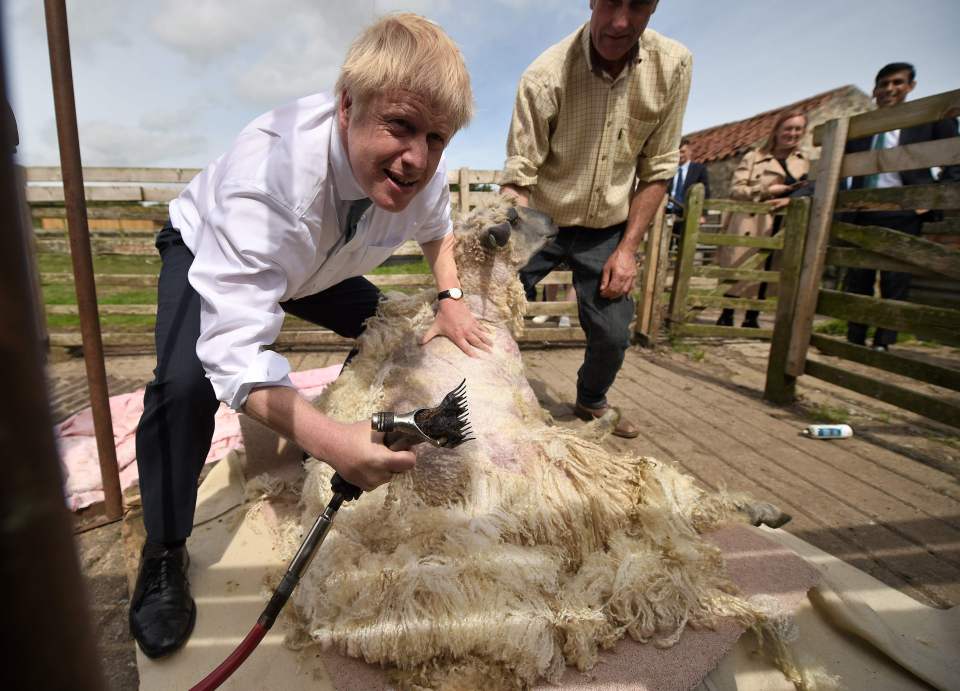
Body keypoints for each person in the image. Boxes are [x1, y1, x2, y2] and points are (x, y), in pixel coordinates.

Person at [128, 14, 491, 659]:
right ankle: (163, 550)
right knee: (186, 386)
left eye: (436, 138)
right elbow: (232, 353)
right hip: (212, 247)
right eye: (400, 127)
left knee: (393, 334)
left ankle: (355, 427)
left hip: (319, 262)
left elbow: (438, 228)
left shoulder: (423, 171)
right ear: (347, 104)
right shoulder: (267, 178)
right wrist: (329, 444)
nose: (416, 159)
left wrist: (451, 299)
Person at [500, 0, 692, 439]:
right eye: (609, 3)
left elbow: (659, 168)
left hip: (608, 225)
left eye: (638, 5)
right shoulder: (543, 76)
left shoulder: (673, 66)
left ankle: (591, 397)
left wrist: (627, 250)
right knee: (492, 309)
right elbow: (520, 175)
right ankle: (491, 395)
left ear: (655, 5)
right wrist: (507, 253)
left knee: (612, 331)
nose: (620, 22)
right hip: (541, 220)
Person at [843, 62, 960, 351]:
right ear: (875, 90)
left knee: (895, 279)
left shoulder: (930, 121)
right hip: (861, 212)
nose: (889, 89)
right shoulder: (859, 130)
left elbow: (955, 162)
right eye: (883, 84)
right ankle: (854, 337)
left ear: (910, 87)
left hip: (902, 211)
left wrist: (928, 200)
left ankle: (884, 341)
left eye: (897, 83)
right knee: (858, 276)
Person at [715, 109, 810, 328]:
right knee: (739, 266)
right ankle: (726, 313)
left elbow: (809, 190)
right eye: (788, 128)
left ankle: (752, 318)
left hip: (782, 223)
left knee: (768, 269)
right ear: (777, 131)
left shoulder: (805, 162)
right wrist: (767, 189)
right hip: (751, 221)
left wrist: (790, 200)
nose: (792, 133)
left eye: (798, 129)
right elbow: (736, 189)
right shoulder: (754, 157)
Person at [666, 138, 710, 217]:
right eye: (677, 152)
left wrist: (703, 214)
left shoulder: (699, 169)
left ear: (690, 151)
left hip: (689, 213)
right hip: (668, 213)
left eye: (683, 152)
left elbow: (705, 193)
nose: (680, 155)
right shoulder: (669, 170)